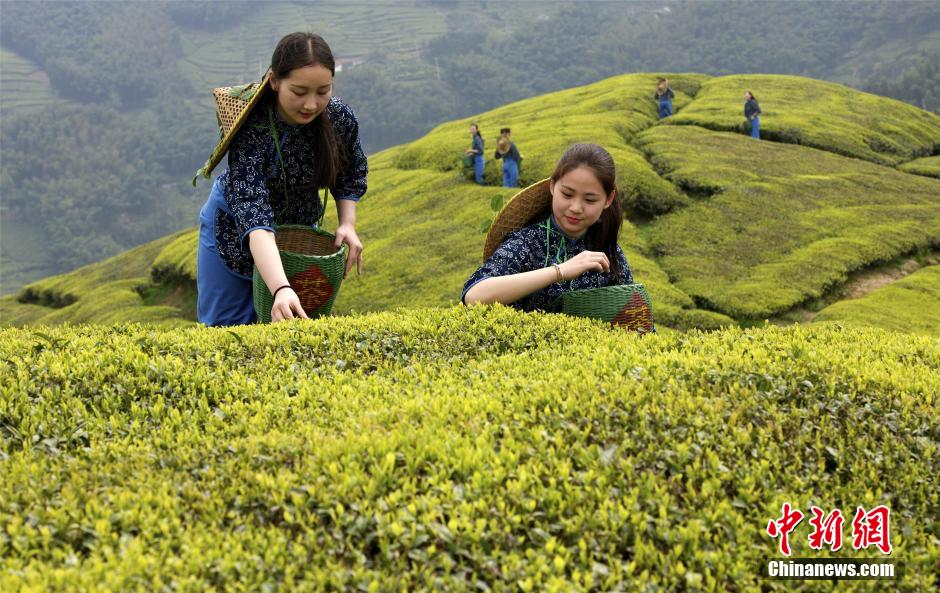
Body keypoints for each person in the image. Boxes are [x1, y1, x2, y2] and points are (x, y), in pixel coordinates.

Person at [195, 32, 368, 327]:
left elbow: (350, 172)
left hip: (297, 231)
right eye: (299, 92)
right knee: (227, 332)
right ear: (274, 81)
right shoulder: (252, 127)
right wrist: (281, 287)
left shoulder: (339, 118)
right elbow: (253, 214)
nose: (312, 104)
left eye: (323, 91)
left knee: (292, 330)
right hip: (235, 230)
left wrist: (347, 223)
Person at [463, 143, 635, 312]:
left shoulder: (609, 253)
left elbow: (637, 319)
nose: (575, 208)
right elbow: (473, 296)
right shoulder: (528, 242)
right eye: (567, 194)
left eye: (590, 200)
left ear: (608, 200)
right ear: (552, 186)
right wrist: (559, 271)